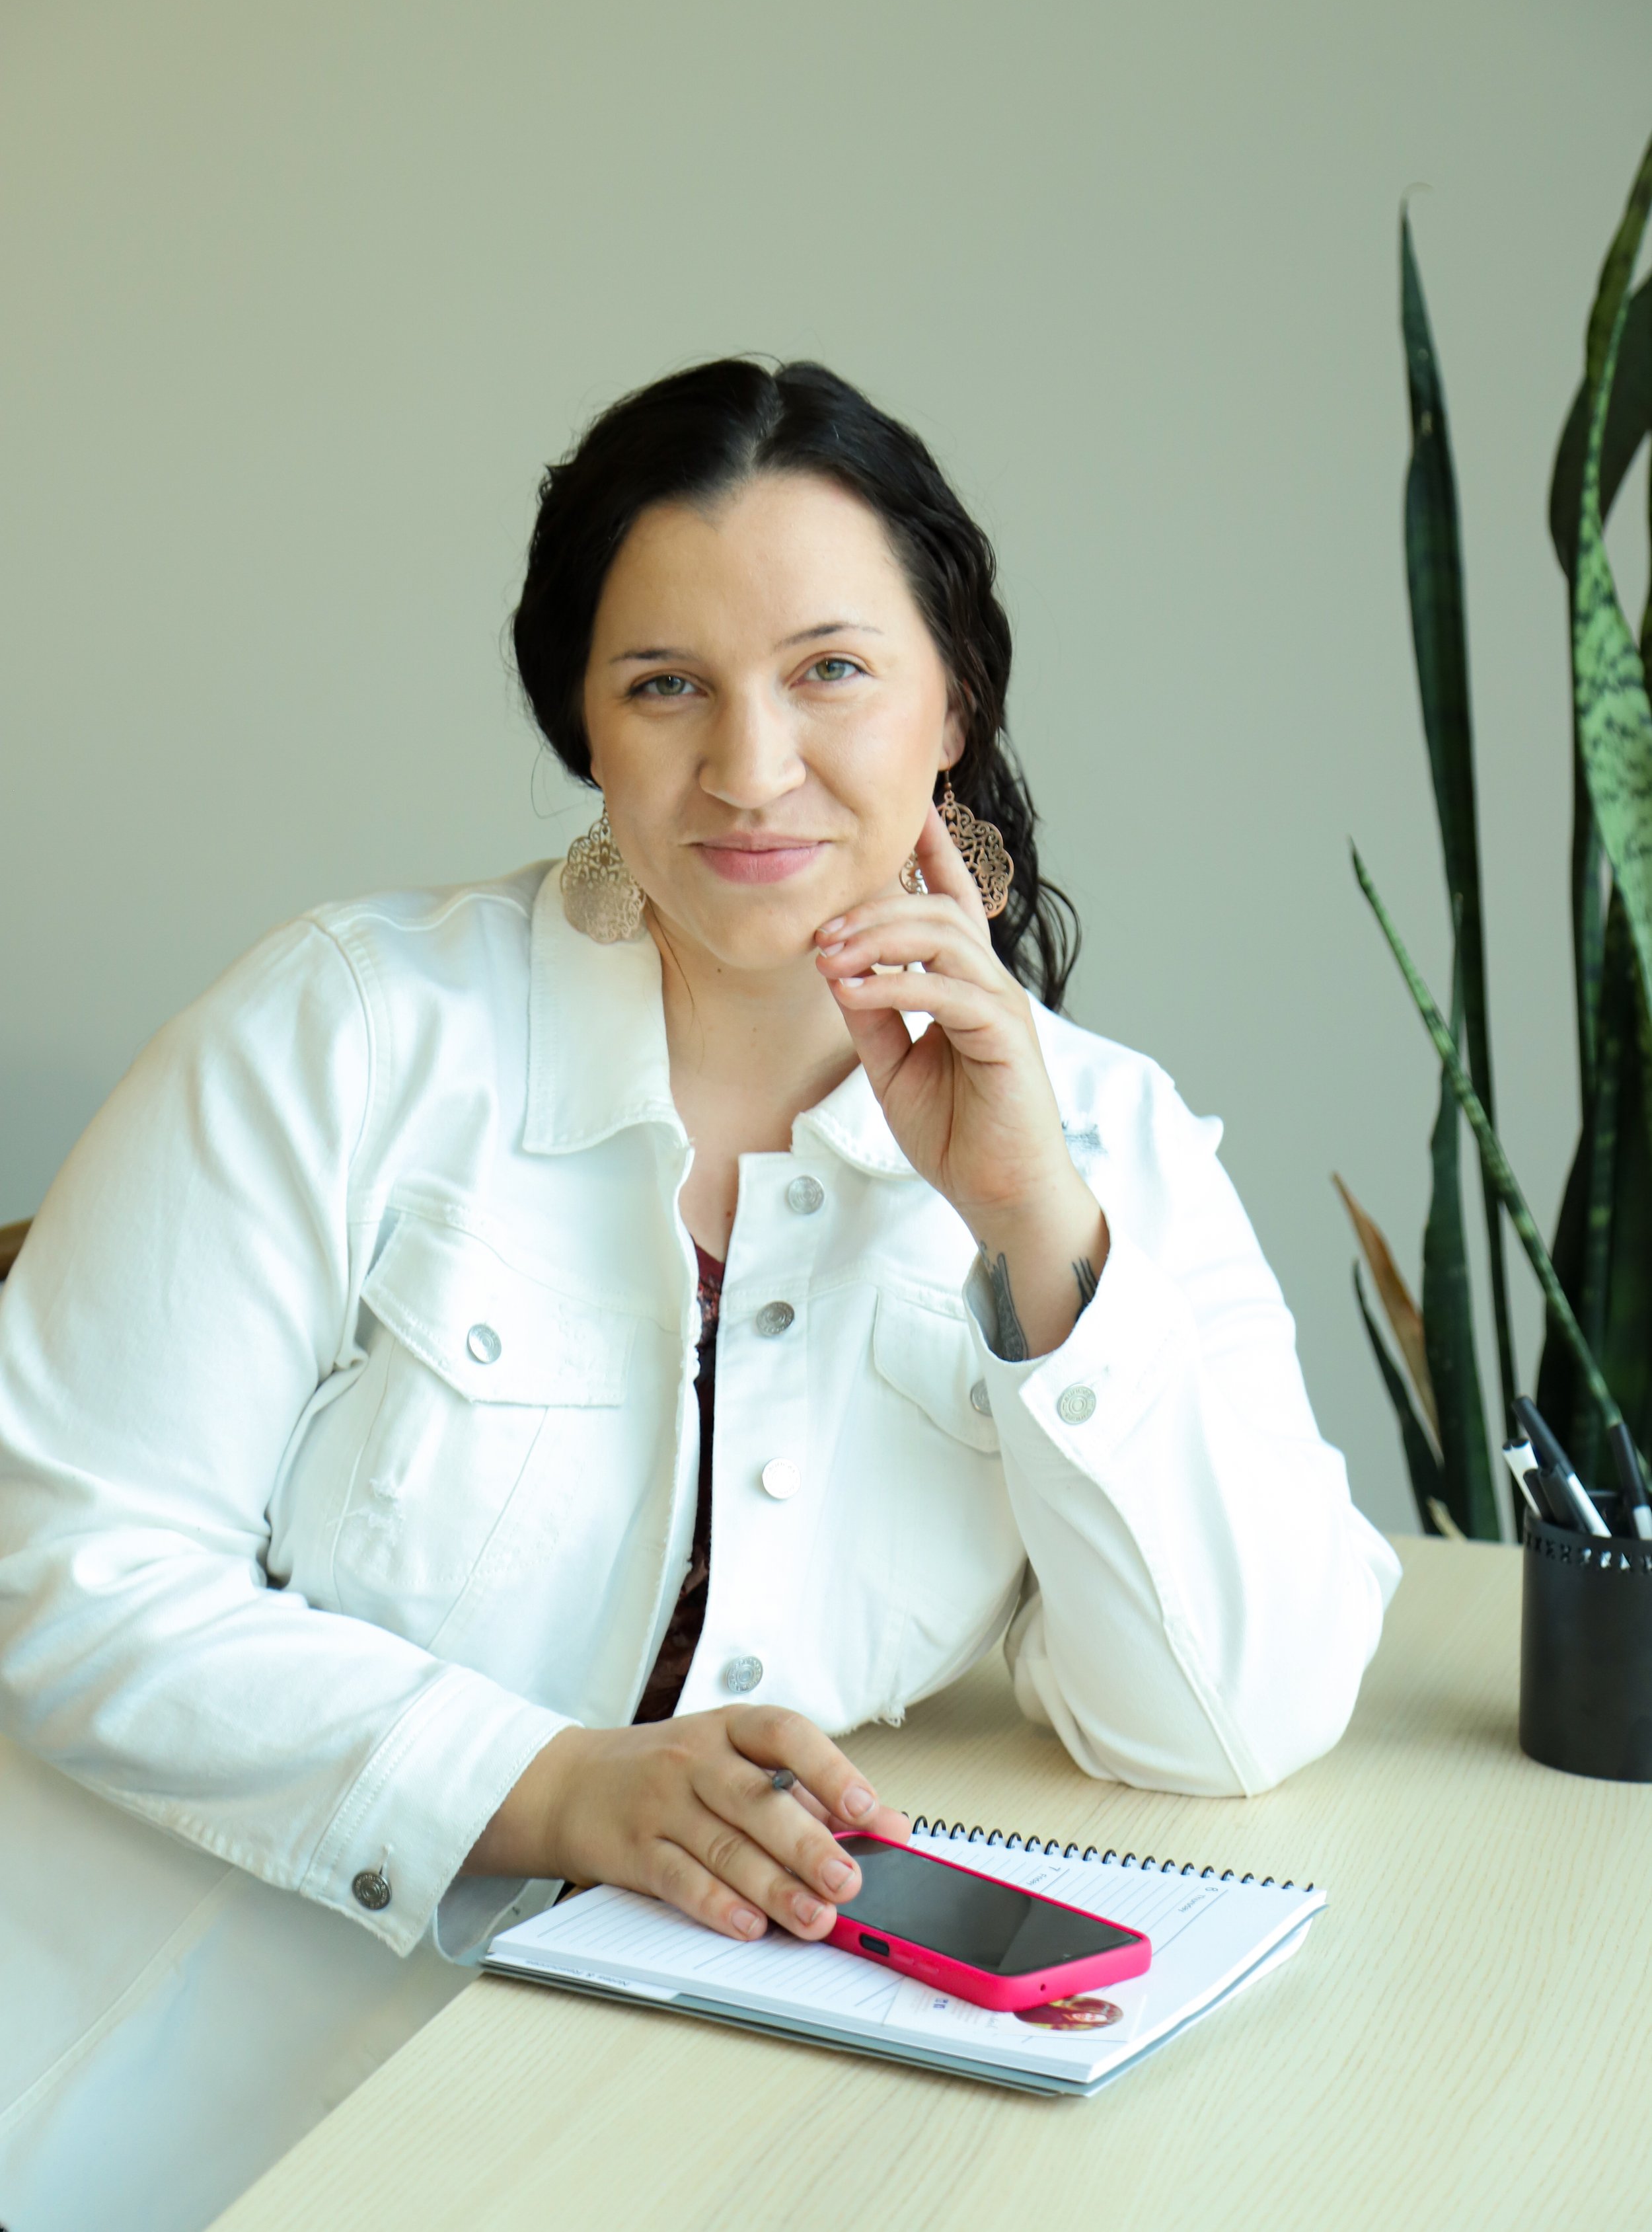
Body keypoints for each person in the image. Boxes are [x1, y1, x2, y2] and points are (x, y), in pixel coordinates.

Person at [0, 359, 1399, 2230]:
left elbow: (1230, 1719)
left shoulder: (1105, 1140)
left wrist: (1032, 1231)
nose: (749, 769)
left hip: (687, 2106)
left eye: (830, 671)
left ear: (953, 704)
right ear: (580, 723)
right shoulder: (339, 1030)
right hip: (183, 2099)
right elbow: (64, 1572)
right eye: (665, 686)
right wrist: (552, 1788)